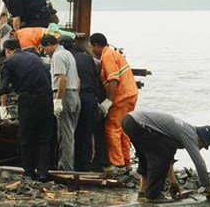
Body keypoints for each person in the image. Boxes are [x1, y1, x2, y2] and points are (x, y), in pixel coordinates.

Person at [122, 110, 210, 202]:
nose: (200, 148)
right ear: (200, 139)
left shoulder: (178, 132)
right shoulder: (191, 135)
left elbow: (169, 160)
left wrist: (174, 183)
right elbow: (199, 163)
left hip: (130, 120)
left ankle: (142, 192)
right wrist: (209, 187)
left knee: (147, 156)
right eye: (202, 146)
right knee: (159, 158)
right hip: (139, 124)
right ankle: (153, 196)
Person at [0, 38, 54, 181]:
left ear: (7, 51)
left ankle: (29, 172)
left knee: (26, 136)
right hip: (47, 100)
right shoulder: (35, 58)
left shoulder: (9, 61)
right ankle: (43, 173)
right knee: (44, 137)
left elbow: (3, 88)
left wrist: (3, 108)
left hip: (28, 100)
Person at [89, 33, 138, 174]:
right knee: (124, 129)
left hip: (121, 97)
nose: (92, 51)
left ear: (97, 45)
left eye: (92, 47)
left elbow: (113, 79)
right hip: (131, 94)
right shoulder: (114, 54)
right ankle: (126, 162)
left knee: (112, 128)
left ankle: (118, 164)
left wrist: (108, 101)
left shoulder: (107, 56)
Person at [40, 34, 80, 171]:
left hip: (65, 95)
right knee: (70, 134)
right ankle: (68, 165)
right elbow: (78, 79)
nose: (45, 51)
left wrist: (58, 100)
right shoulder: (68, 54)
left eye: (45, 48)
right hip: (74, 94)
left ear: (50, 44)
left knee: (65, 136)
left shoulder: (57, 56)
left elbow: (62, 79)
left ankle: (65, 169)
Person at [70, 36, 103, 171]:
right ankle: (85, 163)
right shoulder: (89, 59)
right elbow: (96, 79)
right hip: (90, 97)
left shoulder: (69, 59)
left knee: (74, 129)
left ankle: (74, 162)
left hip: (76, 95)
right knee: (88, 131)